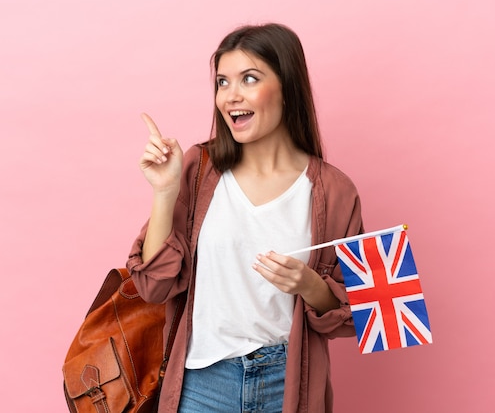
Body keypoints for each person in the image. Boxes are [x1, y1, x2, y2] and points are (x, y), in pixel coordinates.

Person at [127, 23, 364, 413]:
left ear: (287, 88)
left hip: (288, 385)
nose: (231, 96)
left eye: (249, 79)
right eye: (222, 82)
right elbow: (154, 286)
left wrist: (310, 286)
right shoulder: (197, 170)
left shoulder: (336, 191)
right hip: (202, 384)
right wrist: (165, 193)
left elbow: (357, 313)